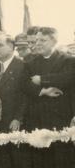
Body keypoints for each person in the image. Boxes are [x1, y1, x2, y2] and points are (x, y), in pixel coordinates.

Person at [23, 27, 75, 168]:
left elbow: (68, 78)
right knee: (41, 159)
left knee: (62, 158)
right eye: (37, 40)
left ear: (54, 41)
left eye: (43, 40)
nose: (38, 43)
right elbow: (24, 84)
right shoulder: (30, 62)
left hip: (61, 118)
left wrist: (42, 80)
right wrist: (43, 92)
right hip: (38, 118)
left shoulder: (68, 60)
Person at [0, 31, 28, 168]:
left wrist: (18, 118)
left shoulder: (23, 66)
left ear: (11, 47)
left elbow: (26, 96)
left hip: (16, 124)